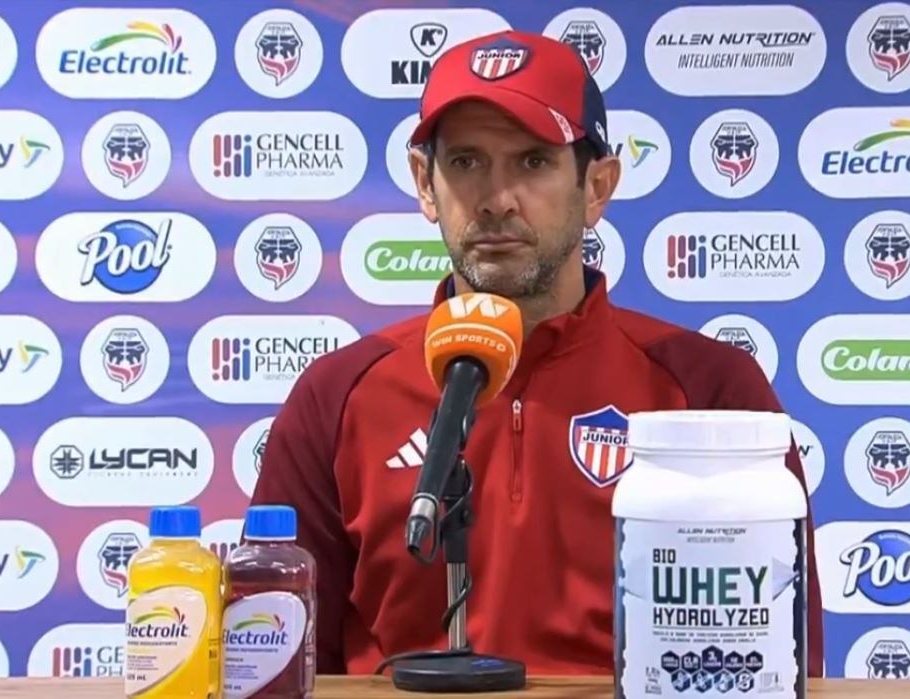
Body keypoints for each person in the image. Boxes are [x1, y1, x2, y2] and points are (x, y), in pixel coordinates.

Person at [250, 28, 824, 678]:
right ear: (424, 184)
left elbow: (781, 662)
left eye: (532, 162)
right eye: (466, 162)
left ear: (596, 186)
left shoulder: (710, 390)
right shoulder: (337, 394)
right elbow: (277, 664)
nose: (496, 200)